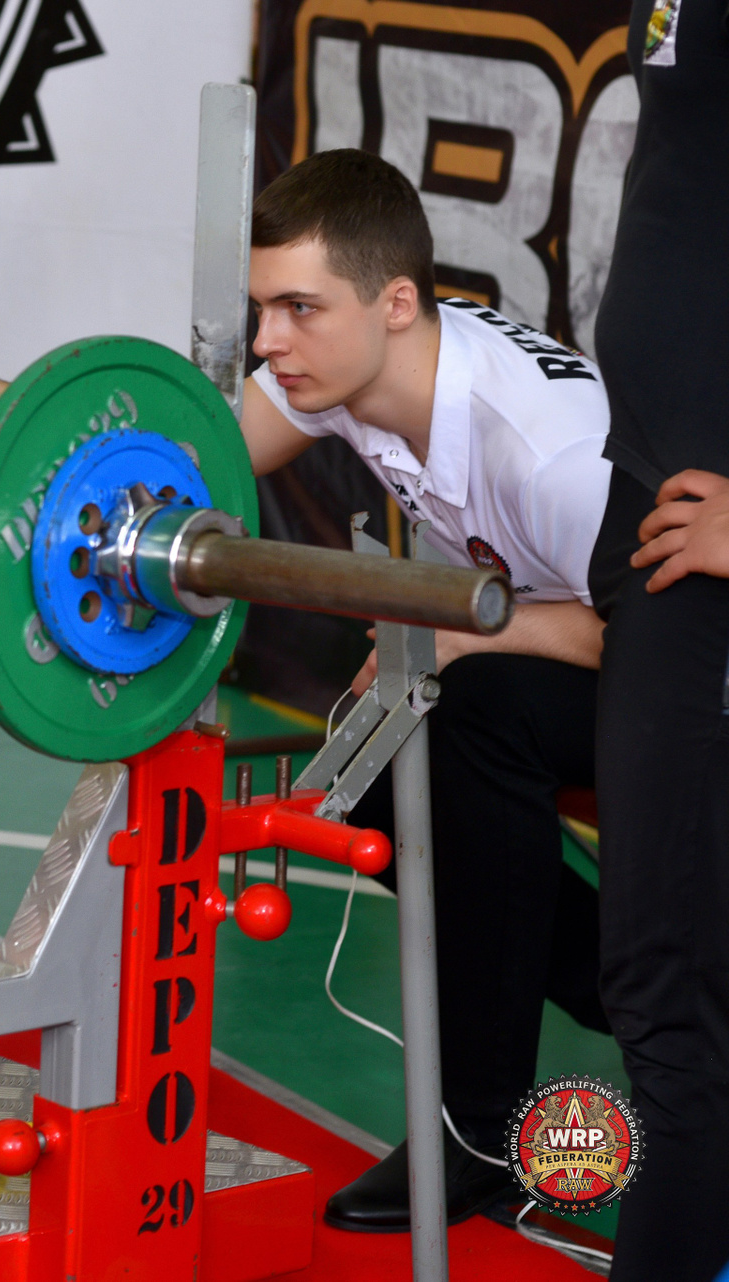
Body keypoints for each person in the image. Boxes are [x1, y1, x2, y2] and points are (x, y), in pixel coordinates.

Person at [0, 148, 615, 1231]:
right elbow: (169, 468)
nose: (266, 342)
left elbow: (658, 638)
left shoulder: (548, 453)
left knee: (465, 720)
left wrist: (459, 635)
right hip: (556, 636)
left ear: (397, 303)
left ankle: (488, 1125)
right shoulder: (353, 372)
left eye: (298, 309)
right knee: (375, 756)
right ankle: (637, 989)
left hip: (674, 671)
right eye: (262, 310)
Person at [579, 2, 729, 1276]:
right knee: (469, 727)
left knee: (677, 994)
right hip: (649, 513)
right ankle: (471, 1128)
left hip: (712, 562)